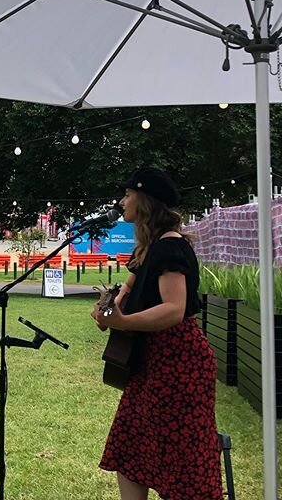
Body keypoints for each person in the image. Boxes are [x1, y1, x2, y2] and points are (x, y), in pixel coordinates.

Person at [91, 168, 223, 500]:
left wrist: (121, 321)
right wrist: (107, 311)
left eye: (128, 195)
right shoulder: (148, 249)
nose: (122, 202)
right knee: (130, 451)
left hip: (178, 366)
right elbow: (124, 295)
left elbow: (174, 310)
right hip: (151, 365)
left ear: (145, 200)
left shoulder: (170, 247)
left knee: (182, 464)